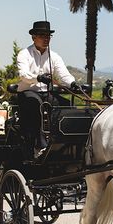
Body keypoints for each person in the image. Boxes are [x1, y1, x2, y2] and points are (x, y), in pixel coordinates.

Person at [16, 20, 79, 157]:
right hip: (28, 93)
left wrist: (73, 84)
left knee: (68, 107)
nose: (46, 39)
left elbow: (63, 75)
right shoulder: (24, 54)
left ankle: (67, 143)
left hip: (47, 94)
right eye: (42, 35)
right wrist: (38, 78)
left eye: (48, 36)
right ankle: (40, 146)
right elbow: (23, 75)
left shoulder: (54, 56)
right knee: (38, 104)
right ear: (33, 37)